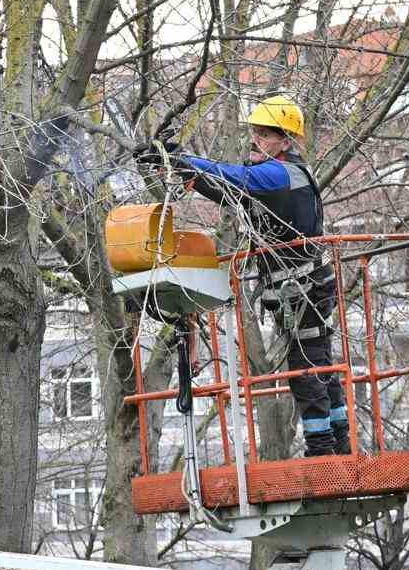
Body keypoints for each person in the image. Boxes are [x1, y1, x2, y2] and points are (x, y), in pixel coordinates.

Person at [139, 95, 350, 457]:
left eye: (265, 135)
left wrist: (182, 161)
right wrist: (185, 171)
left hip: (305, 288)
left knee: (307, 367)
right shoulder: (278, 177)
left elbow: (237, 179)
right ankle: (338, 441)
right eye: (254, 132)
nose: (255, 139)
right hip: (303, 288)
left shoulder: (281, 175)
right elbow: (229, 191)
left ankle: (323, 451)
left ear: (286, 141)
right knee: (319, 361)